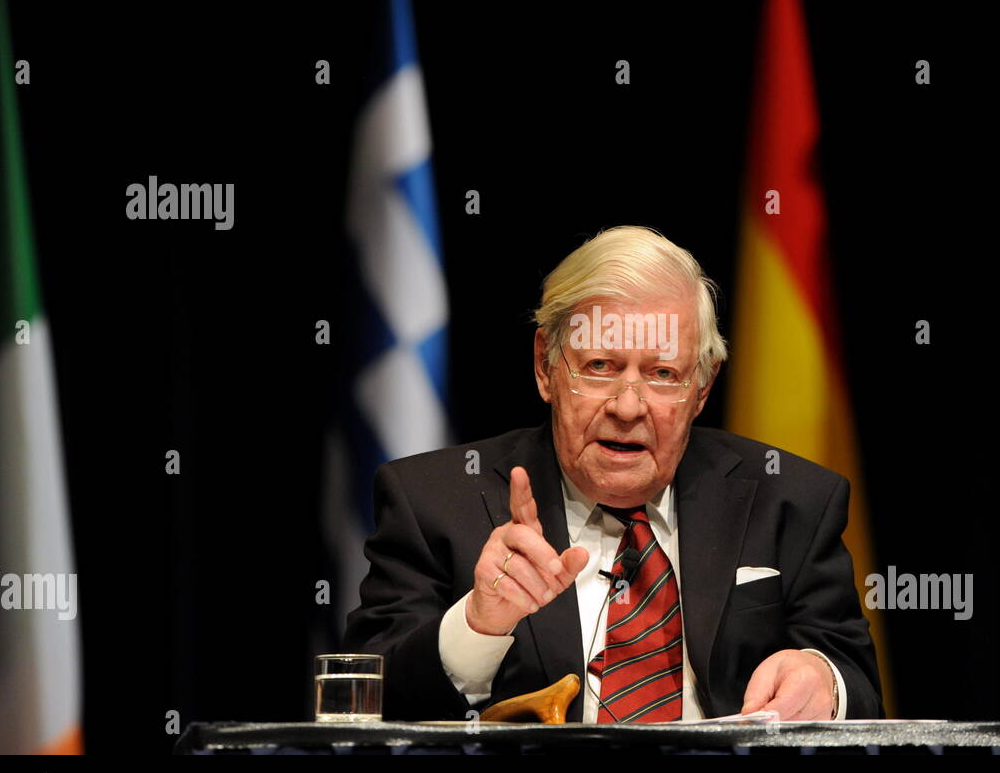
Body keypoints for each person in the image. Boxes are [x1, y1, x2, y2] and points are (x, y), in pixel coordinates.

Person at [342, 225, 883, 722]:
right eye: (600, 366)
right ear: (545, 367)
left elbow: (858, 685)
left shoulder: (791, 501)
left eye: (663, 373)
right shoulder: (433, 503)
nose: (628, 407)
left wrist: (824, 681)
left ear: (703, 387)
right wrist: (479, 624)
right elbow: (366, 701)